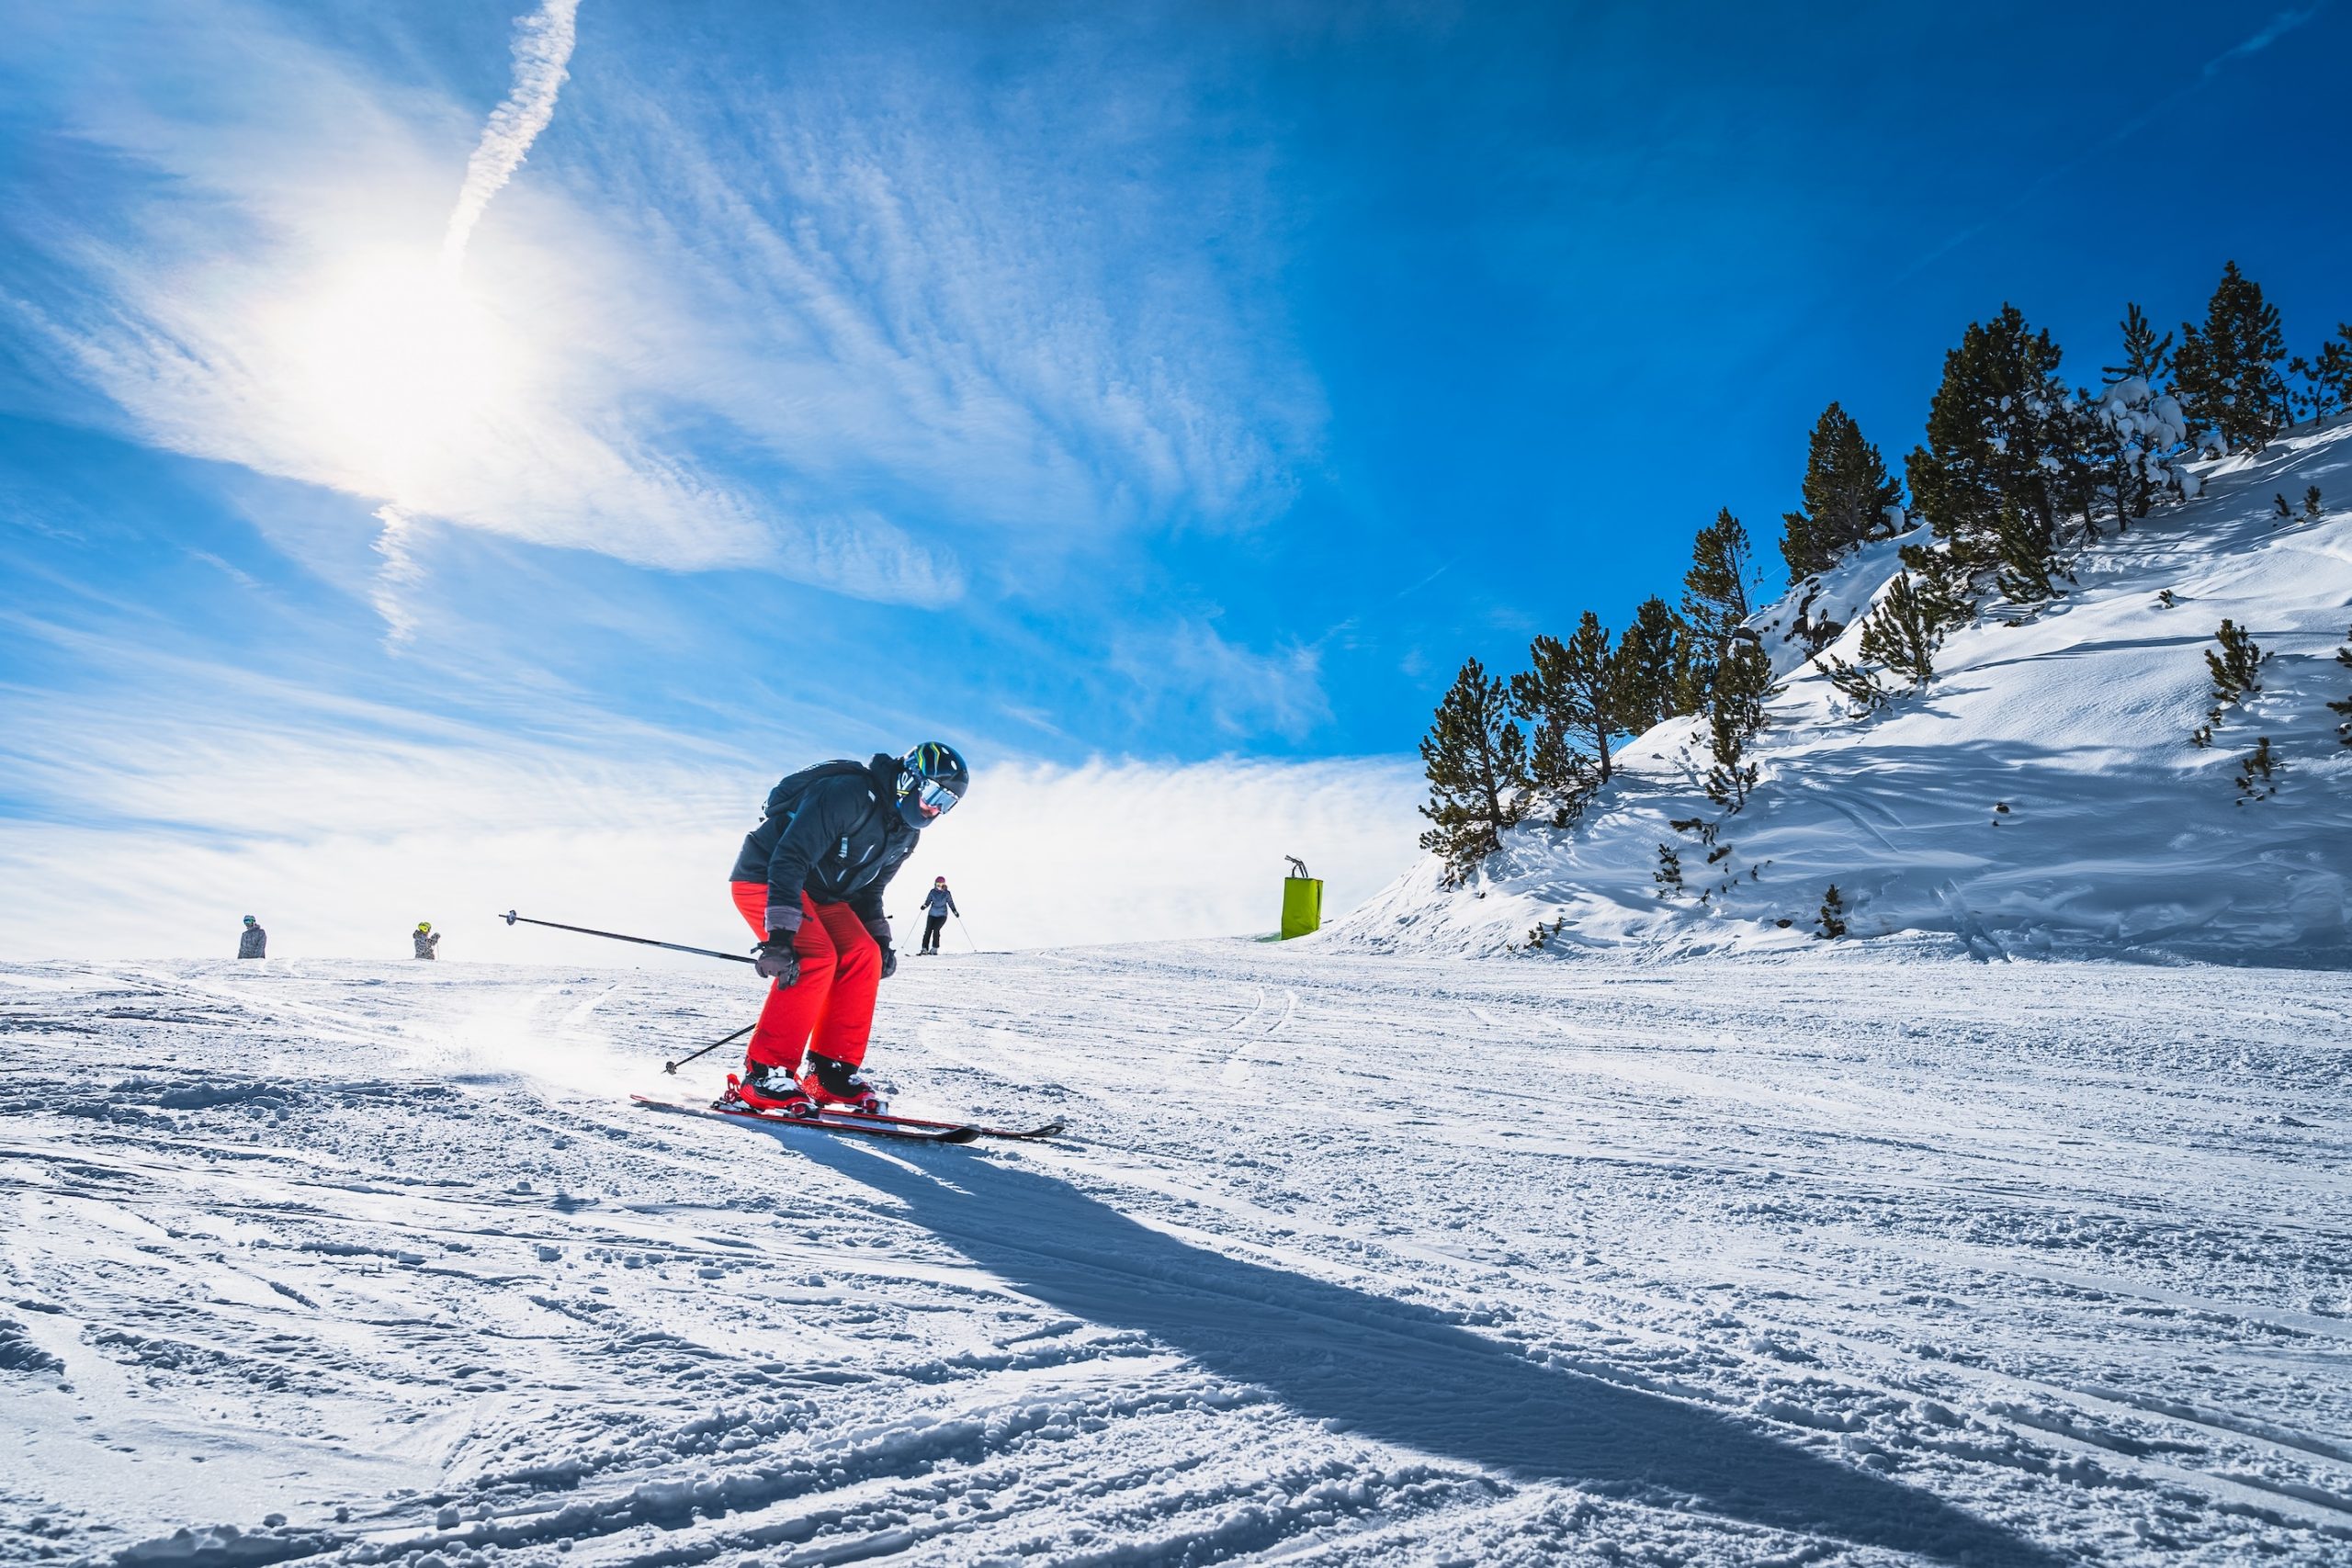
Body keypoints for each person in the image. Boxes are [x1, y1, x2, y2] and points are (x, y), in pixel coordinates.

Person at [724, 742, 969, 1116]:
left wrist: (882, 941)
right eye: (935, 793)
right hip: (768, 878)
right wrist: (782, 939)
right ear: (910, 780)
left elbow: (870, 890)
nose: (937, 808)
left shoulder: (905, 833)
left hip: (824, 896)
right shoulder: (847, 794)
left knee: (863, 956)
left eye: (948, 803)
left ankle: (830, 1072)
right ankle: (764, 1075)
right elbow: (789, 858)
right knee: (817, 957)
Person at [917, 876, 959, 954]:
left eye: (941, 884)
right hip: (932, 914)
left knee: (936, 929)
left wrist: (954, 911)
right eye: (937, 884)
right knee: (928, 931)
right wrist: (924, 906)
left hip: (942, 915)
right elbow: (928, 901)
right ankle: (924, 948)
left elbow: (950, 903)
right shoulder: (932, 892)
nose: (939, 886)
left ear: (944, 884)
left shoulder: (947, 893)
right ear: (935, 884)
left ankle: (935, 948)